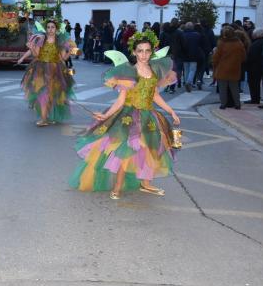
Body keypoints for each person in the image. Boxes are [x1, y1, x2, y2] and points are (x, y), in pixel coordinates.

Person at [69, 30, 180, 199]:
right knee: (125, 151)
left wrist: (170, 110)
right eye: (140, 51)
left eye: (147, 51)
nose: (144, 54)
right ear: (134, 52)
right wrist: (106, 116)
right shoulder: (128, 72)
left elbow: (155, 95)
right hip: (128, 117)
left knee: (149, 149)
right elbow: (121, 100)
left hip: (149, 117)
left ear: (152, 52)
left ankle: (146, 183)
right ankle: (118, 186)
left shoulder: (155, 70)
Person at [17, 19, 76, 126]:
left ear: (56, 29)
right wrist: (32, 48)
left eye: (52, 27)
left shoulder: (60, 41)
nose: (50, 29)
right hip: (41, 69)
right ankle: (44, 119)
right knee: (43, 94)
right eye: (48, 27)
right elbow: (36, 55)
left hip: (56, 70)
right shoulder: (41, 39)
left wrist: (70, 52)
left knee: (53, 95)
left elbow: (63, 57)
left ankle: (48, 117)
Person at [213, 24, 246, 110]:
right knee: (234, 88)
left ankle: (223, 104)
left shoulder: (221, 43)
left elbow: (216, 57)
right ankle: (237, 104)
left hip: (222, 68)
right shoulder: (239, 43)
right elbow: (243, 56)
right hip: (235, 68)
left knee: (222, 88)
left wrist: (214, 64)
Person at [245, 28, 263, 104]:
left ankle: (255, 99)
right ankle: (256, 98)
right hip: (260, 66)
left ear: (257, 35)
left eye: (253, 34)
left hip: (254, 67)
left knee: (253, 83)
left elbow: (251, 56)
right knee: (256, 83)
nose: (252, 35)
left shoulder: (256, 44)